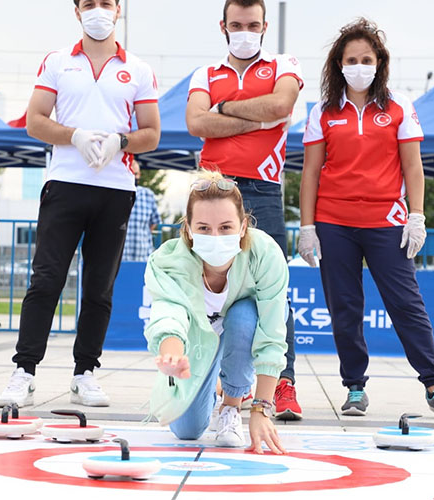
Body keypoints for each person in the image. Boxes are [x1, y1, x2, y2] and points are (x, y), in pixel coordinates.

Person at [299, 18, 434, 420]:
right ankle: (355, 387)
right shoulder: (323, 112)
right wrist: (307, 227)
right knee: (344, 307)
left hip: (386, 222)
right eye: (351, 59)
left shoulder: (399, 106)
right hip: (333, 221)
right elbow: (310, 171)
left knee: (407, 304)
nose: (359, 66)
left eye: (366, 59)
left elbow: (413, 166)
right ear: (338, 64)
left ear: (379, 62)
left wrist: (417, 216)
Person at [0, 0, 160, 408]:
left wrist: (120, 142)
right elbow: (35, 120)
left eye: (105, 3)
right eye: (89, 3)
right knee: (46, 279)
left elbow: (152, 132)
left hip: (116, 186)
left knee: (99, 288)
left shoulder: (138, 69)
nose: (98, 10)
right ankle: (24, 371)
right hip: (65, 183)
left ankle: (85, 372)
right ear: (76, 11)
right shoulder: (57, 62)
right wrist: (75, 136)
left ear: (118, 10)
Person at [185, 0, 304, 420]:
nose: (245, 30)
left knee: (274, 291)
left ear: (265, 26)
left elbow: (280, 107)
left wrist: (224, 110)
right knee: (201, 285)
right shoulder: (206, 73)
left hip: (263, 189)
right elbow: (197, 124)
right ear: (223, 26)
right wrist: (253, 118)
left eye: (253, 24)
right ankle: (207, 378)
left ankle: (282, 385)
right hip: (212, 189)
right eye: (237, 24)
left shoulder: (284, 63)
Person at [145, 170, 288, 452]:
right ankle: (214, 385)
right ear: (187, 228)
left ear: (243, 226)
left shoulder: (265, 254)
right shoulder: (168, 261)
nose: (215, 236)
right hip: (199, 340)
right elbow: (168, 311)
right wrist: (171, 352)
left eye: (225, 227)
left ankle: (231, 405)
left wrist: (260, 409)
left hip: (241, 328)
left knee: (244, 316)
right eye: (203, 228)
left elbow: (272, 332)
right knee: (186, 432)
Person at [122, 161, 162, 262]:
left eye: (135, 174)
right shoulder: (116, 195)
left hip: (143, 256)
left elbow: (154, 222)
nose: (133, 177)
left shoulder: (148, 194)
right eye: (130, 173)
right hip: (121, 257)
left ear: (139, 175)